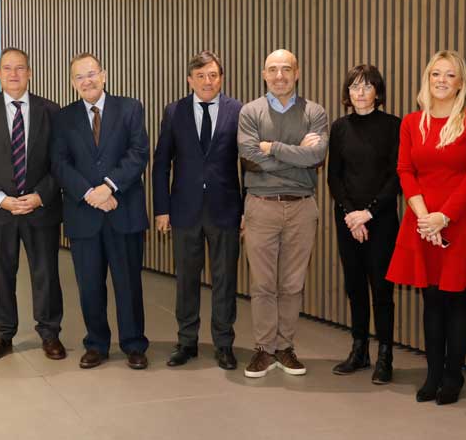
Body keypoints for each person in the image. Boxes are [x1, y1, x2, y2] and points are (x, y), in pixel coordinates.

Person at [386, 50, 466, 405]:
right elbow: (406, 171)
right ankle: (433, 373)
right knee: (431, 298)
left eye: (450, 75)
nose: (442, 81)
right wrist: (423, 217)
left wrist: (443, 217)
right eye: (436, 74)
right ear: (427, 78)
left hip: (460, 220)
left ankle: (454, 375)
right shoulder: (411, 123)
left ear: (461, 82)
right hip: (421, 221)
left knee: (456, 297)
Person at [51, 52, 150, 370]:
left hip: (124, 211)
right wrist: (90, 193)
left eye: (92, 73)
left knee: (128, 284)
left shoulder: (130, 108)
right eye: (79, 76)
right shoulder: (63, 118)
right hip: (85, 214)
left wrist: (109, 186)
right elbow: (59, 164)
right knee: (89, 284)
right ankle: (96, 344)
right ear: (72, 83)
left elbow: (139, 153)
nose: (87, 81)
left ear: (104, 75)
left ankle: (134, 344)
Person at [0, 47, 66, 361]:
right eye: (7, 68)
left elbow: (60, 163)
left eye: (20, 68)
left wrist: (40, 196)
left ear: (30, 72)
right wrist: (1, 199)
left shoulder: (51, 111)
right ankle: (3, 335)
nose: (13, 74)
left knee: (46, 274)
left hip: (40, 208)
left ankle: (50, 334)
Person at [237, 48, 328, 378]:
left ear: (297, 72)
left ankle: (285, 347)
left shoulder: (314, 112)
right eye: (272, 69)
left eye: (286, 69)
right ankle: (263, 348)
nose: (279, 75)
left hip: (303, 208)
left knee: (292, 284)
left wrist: (271, 149)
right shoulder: (250, 112)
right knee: (262, 284)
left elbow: (316, 157)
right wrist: (297, 155)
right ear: (264, 75)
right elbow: (248, 156)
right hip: (261, 207)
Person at [152, 50, 243, 370]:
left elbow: (247, 164)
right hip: (184, 210)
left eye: (214, 75)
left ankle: (223, 344)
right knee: (186, 280)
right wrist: (162, 209)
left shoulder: (237, 110)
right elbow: (162, 163)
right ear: (190, 79)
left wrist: (245, 211)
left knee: (225, 280)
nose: (208, 81)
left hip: (226, 210)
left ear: (221, 78)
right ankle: (186, 341)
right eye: (201, 76)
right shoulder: (174, 111)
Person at [327, 64, 401, 384]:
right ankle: (359, 350)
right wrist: (351, 214)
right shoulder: (340, 127)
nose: (359, 92)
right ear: (347, 93)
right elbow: (334, 177)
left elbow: (396, 177)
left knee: (381, 289)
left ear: (377, 92)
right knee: (354, 286)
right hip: (347, 219)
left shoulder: (393, 126)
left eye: (367, 86)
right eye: (354, 86)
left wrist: (368, 213)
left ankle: (385, 355)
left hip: (381, 220)